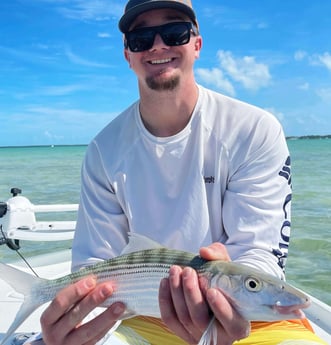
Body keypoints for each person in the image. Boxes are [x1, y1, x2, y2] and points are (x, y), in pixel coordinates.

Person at [26, 1, 327, 344]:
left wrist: (220, 316)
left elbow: (260, 255)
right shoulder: (103, 150)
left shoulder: (253, 130)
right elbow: (96, 263)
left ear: (196, 44)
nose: (157, 45)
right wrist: (73, 322)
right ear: (128, 54)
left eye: (174, 32)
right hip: (144, 317)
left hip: (251, 319)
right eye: (140, 38)